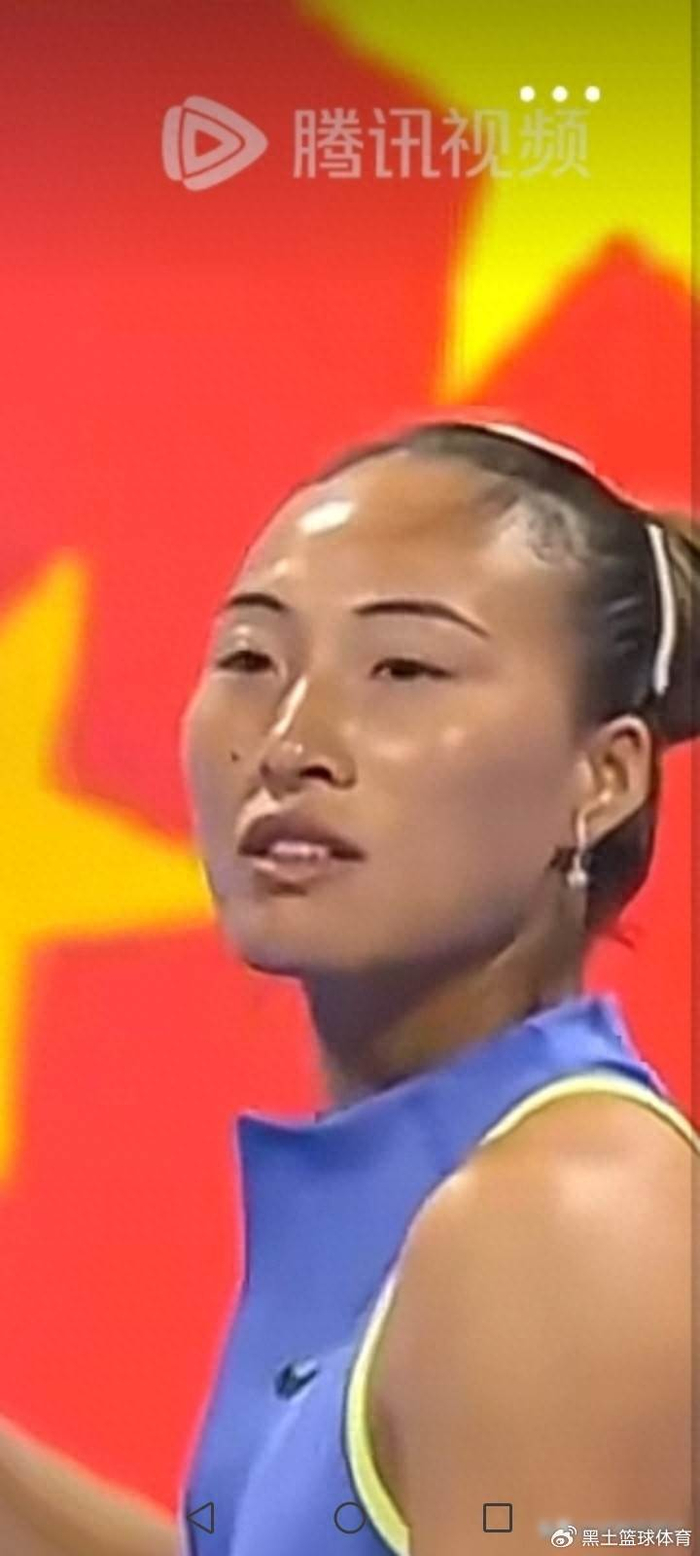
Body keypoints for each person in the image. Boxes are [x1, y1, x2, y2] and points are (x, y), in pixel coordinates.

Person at [1, 417, 698, 1555]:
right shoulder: (475, 1192)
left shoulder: (564, 1225)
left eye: (404, 669)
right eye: (250, 660)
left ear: (603, 776)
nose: (290, 742)